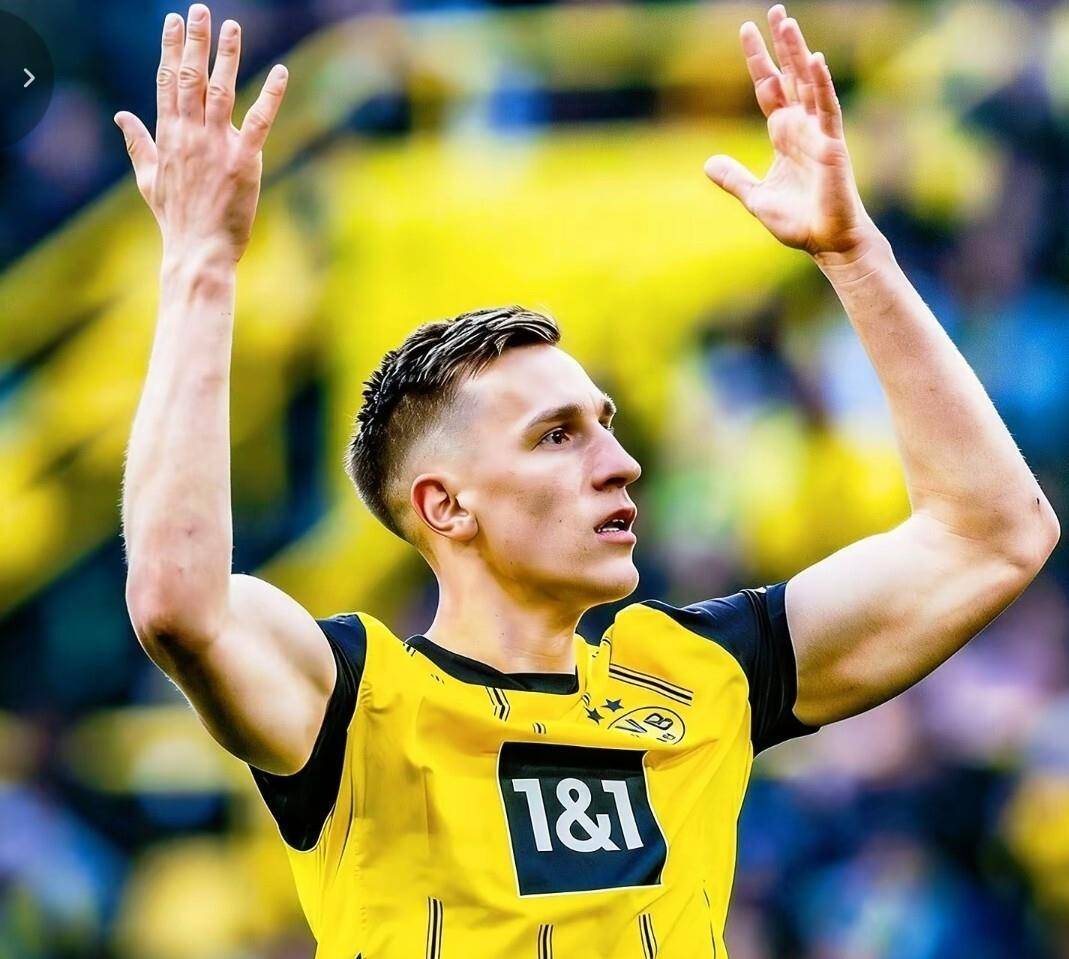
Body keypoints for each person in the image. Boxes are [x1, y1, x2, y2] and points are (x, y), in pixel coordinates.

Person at [115, 4, 1059, 957]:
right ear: (445, 504)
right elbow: (177, 602)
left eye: (605, 425)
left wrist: (854, 255)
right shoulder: (357, 702)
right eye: (557, 436)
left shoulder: (698, 673)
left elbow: (993, 533)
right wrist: (201, 266)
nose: (620, 461)